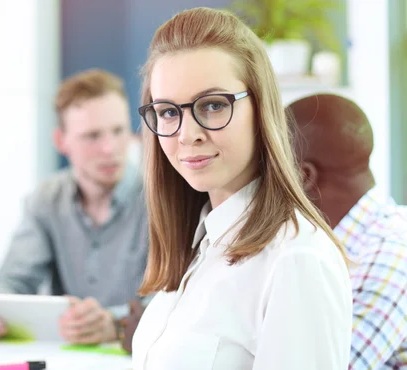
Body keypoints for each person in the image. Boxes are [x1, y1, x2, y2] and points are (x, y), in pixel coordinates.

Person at [130, 7, 353, 370]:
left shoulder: (296, 259)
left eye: (213, 105)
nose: (188, 135)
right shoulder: (201, 244)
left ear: (261, 109)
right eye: (169, 112)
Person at [0, 69, 148, 344]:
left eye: (118, 131)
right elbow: (14, 280)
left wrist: (117, 323)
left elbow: (177, 302)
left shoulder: (159, 200)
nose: (110, 148)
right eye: (92, 136)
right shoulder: (46, 200)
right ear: (61, 141)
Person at [288, 93, 407, 369]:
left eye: (274, 169)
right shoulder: (325, 243)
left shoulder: (392, 251)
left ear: (304, 177)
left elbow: (330, 365)